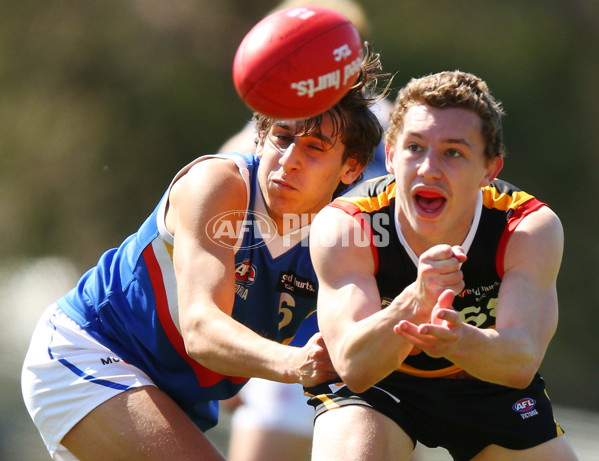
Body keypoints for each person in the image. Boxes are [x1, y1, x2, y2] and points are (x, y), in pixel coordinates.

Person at [20, 43, 387, 460]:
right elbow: (201, 328)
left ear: (352, 168)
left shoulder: (346, 234)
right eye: (283, 137)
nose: (289, 161)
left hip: (174, 396)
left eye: (315, 148)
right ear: (262, 135)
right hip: (89, 352)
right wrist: (296, 362)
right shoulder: (218, 184)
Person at [307, 70, 579, 460]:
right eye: (414, 147)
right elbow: (354, 365)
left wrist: (458, 340)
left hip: (484, 379)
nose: (428, 168)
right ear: (389, 156)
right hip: (383, 382)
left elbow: (520, 361)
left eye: (453, 152)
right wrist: (414, 300)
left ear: (490, 170)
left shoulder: (526, 227)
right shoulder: (348, 224)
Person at [220, 2, 392, 461]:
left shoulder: (381, 125)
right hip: (293, 330)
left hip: (349, 325)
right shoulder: (283, 118)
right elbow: (232, 173)